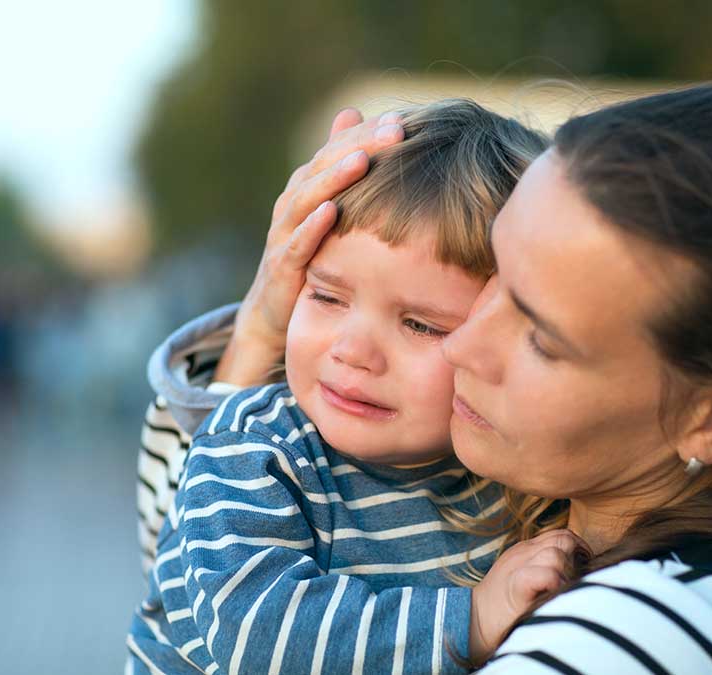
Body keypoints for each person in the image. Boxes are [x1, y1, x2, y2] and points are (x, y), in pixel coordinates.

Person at [135, 82, 712, 674]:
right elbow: (191, 578)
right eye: (494, 285)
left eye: (538, 333)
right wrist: (262, 326)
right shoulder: (289, 441)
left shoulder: (638, 634)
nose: (466, 345)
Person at [128, 100, 579, 675]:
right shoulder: (255, 448)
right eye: (327, 296)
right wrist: (471, 620)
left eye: (420, 324)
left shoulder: (513, 478)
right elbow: (258, 636)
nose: (353, 350)